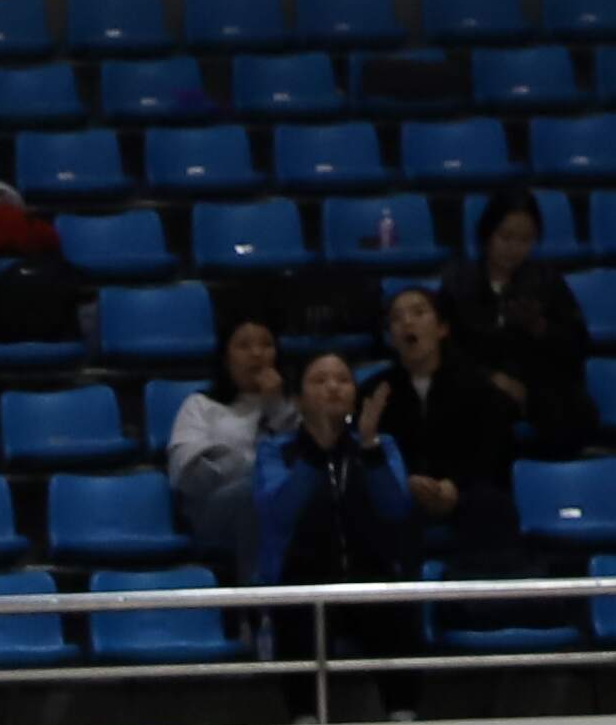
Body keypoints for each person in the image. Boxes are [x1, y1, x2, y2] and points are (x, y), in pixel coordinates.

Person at [251, 348, 423, 658]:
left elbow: (396, 508)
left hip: (370, 580)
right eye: (319, 380)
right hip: (301, 584)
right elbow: (280, 512)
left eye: (343, 380)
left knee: (398, 611)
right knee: (297, 619)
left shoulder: (380, 445)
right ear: (298, 399)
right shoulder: (275, 451)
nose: (333, 387)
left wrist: (369, 447)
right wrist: (316, 454)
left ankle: (402, 694)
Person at [372, 281, 527, 573]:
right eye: (397, 318)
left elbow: (493, 452)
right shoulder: (376, 392)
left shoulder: (478, 387)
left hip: (464, 491)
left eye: (418, 312)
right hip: (403, 495)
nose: (407, 322)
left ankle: (480, 596)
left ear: (442, 328)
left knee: (492, 506)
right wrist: (406, 483)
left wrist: (454, 488)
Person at [442, 192, 594, 450]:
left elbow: (577, 343)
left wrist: (540, 327)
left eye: (525, 240)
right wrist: (491, 377)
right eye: (506, 237)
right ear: (487, 234)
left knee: (576, 412)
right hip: (480, 383)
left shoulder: (547, 281)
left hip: (537, 383)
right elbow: (446, 347)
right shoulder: (459, 282)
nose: (513, 248)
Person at [160, 315, 290, 570]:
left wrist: (276, 408)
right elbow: (185, 474)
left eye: (266, 345)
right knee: (252, 493)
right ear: (226, 358)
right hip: (212, 510)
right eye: (244, 345)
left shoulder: (291, 409)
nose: (257, 354)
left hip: (281, 503)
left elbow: (301, 460)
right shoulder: (200, 405)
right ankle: (256, 590)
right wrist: (252, 469)